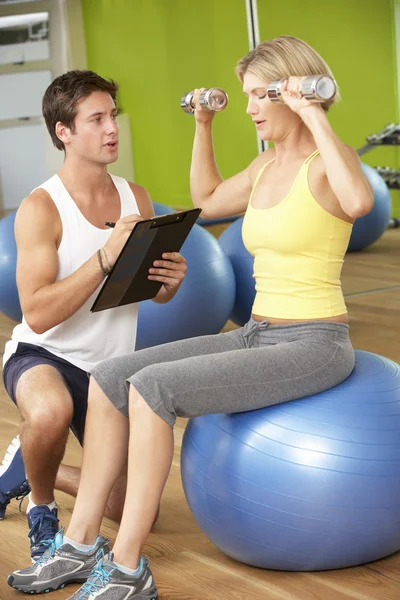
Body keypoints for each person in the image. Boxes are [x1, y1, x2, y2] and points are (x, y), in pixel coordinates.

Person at [8, 36, 374, 598]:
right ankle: (80, 546)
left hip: (314, 342)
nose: (249, 108)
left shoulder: (327, 164)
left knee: (151, 387)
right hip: (258, 332)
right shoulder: (265, 165)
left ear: (291, 92)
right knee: (113, 377)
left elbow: (359, 202)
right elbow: (206, 195)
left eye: (259, 95)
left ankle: (128, 567)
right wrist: (203, 125)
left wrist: (312, 111)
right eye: (247, 95)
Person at [0, 69, 187, 561]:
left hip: (109, 370)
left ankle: (29, 464)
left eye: (113, 116)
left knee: (130, 508)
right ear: (64, 131)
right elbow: (37, 315)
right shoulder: (41, 207)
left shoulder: (136, 198)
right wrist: (104, 256)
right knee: (50, 413)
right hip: (44, 354)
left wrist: (167, 283)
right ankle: (42, 508)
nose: (112, 129)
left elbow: (147, 294)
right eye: (96, 119)